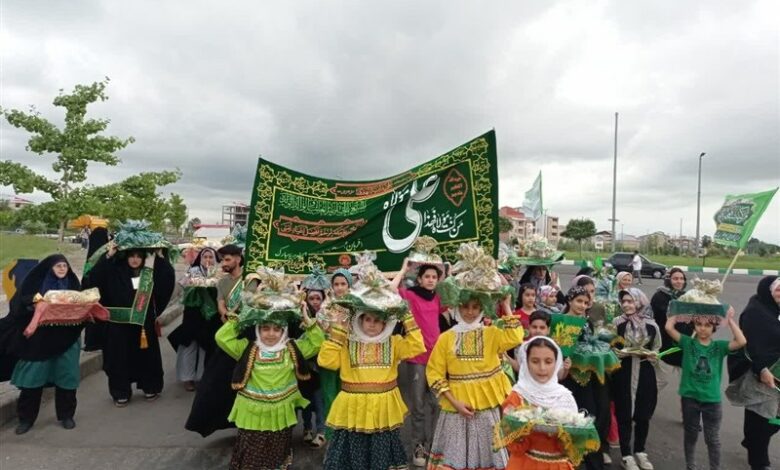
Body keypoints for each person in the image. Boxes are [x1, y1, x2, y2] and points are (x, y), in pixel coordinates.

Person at [318, 262, 426, 470]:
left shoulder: (393, 343)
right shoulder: (348, 341)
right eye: (367, 319)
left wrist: (405, 314)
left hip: (382, 410)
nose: (372, 324)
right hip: (353, 409)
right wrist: (340, 328)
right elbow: (326, 361)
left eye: (378, 320)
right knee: (352, 460)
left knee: (381, 459)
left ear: (386, 323)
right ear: (360, 319)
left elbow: (417, 345)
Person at [216, 269, 325, 470]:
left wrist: (309, 323)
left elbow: (317, 343)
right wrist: (241, 317)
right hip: (253, 414)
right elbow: (222, 338)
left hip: (281, 414)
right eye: (265, 328)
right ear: (258, 329)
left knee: (276, 457)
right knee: (251, 456)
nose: (271, 334)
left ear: (284, 331)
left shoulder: (292, 349)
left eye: (277, 329)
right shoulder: (247, 349)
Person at [0, 255, 82, 434]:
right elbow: (18, 307)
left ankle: (66, 415)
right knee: (32, 380)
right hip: (39, 341)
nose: (62, 269)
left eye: (64, 266)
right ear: (50, 268)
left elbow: (84, 308)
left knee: (67, 378)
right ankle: (26, 419)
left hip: (67, 339)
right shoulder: (34, 286)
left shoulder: (74, 286)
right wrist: (35, 305)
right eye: (58, 266)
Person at [89, 241, 175, 406]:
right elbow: (95, 278)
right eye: (132, 256)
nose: (135, 260)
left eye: (139, 256)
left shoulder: (149, 272)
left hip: (142, 323)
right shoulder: (115, 271)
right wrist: (108, 256)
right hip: (119, 325)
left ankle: (151, 386)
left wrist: (160, 257)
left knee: (147, 357)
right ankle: (121, 391)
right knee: (119, 358)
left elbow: (167, 279)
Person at [665, 305, 746, 470]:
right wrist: (679, 309)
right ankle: (691, 466)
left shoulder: (719, 347)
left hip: (712, 399)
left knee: (712, 439)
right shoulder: (687, 343)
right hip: (690, 398)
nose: (703, 328)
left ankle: (714, 467)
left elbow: (741, 341)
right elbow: (668, 327)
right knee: (691, 435)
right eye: (699, 324)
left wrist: (729, 320)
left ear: (714, 328)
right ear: (694, 326)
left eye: (707, 325)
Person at [184, 243, 245, 437]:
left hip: (244, 335)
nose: (223, 264)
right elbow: (220, 302)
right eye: (223, 260)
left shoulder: (250, 279)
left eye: (227, 260)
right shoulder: (222, 281)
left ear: (238, 259)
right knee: (215, 382)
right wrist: (225, 313)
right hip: (226, 334)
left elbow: (249, 300)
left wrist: (231, 314)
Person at [391, 259, 447, 466]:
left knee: (438, 405)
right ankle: (419, 447)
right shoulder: (411, 296)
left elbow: (460, 293)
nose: (431, 280)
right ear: (420, 279)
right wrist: (404, 269)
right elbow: (390, 289)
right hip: (416, 358)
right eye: (427, 277)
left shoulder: (438, 298)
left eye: (434, 277)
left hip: (437, 359)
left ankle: (435, 447)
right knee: (418, 407)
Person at [501, 337, 580, 469]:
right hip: (525, 464)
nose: (542, 368)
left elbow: (575, 443)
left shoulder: (565, 397)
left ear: (557, 363)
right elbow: (510, 439)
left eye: (548, 362)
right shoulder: (517, 396)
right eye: (535, 361)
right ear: (526, 363)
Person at [726, 276, 780, 470]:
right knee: (760, 417)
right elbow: (750, 347)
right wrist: (761, 370)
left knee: (774, 420)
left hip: (777, 374)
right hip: (757, 374)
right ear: (768, 291)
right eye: (778, 290)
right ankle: (759, 461)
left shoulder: (775, 310)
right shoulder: (755, 313)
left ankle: (751, 441)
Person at [561, 285, 611, 470]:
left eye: (585, 302)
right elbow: (559, 352)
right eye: (579, 301)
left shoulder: (587, 322)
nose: (582, 305)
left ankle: (591, 461)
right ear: (569, 301)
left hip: (589, 377)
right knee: (571, 418)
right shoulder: (563, 322)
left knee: (591, 418)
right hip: (569, 378)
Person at [611, 289, 662, 470]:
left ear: (640, 302)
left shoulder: (652, 325)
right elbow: (611, 348)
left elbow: (657, 348)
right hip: (623, 372)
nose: (626, 305)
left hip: (645, 372)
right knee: (624, 413)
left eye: (631, 301)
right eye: (624, 301)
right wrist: (621, 353)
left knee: (643, 414)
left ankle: (640, 451)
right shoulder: (617, 323)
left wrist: (652, 355)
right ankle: (626, 454)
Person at [168, 247, 221, 391]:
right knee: (189, 346)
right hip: (193, 315)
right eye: (205, 257)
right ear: (200, 259)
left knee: (206, 347)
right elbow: (183, 287)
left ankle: (203, 377)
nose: (208, 260)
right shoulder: (192, 271)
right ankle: (187, 378)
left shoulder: (219, 274)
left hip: (211, 316)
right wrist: (194, 284)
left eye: (211, 257)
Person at [317, 268, 353, 443]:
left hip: (350, 356)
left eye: (343, 284)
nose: (339, 288)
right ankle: (332, 439)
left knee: (347, 394)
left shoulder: (356, 306)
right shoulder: (326, 306)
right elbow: (322, 327)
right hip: (330, 355)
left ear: (349, 285)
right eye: (336, 284)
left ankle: (348, 436)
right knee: (329, 395)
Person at [301, 288, 327, 448]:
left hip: (322, 367)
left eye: (318, 298)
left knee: (319, 401)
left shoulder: (328, 316)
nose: (315, 302)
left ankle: (321, 431)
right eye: (311, 298)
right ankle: (306, 428)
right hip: (304, 367)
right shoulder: (300, 315)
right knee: (305, 401)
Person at [651, 268, 692, 367]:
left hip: (683, 343)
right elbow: (653, 319)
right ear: (669, 280)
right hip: (664, 343)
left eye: (682, 278)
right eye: (675, 278)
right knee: (664, 378)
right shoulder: (659, 296)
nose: (679, 281)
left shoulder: (688, 297)